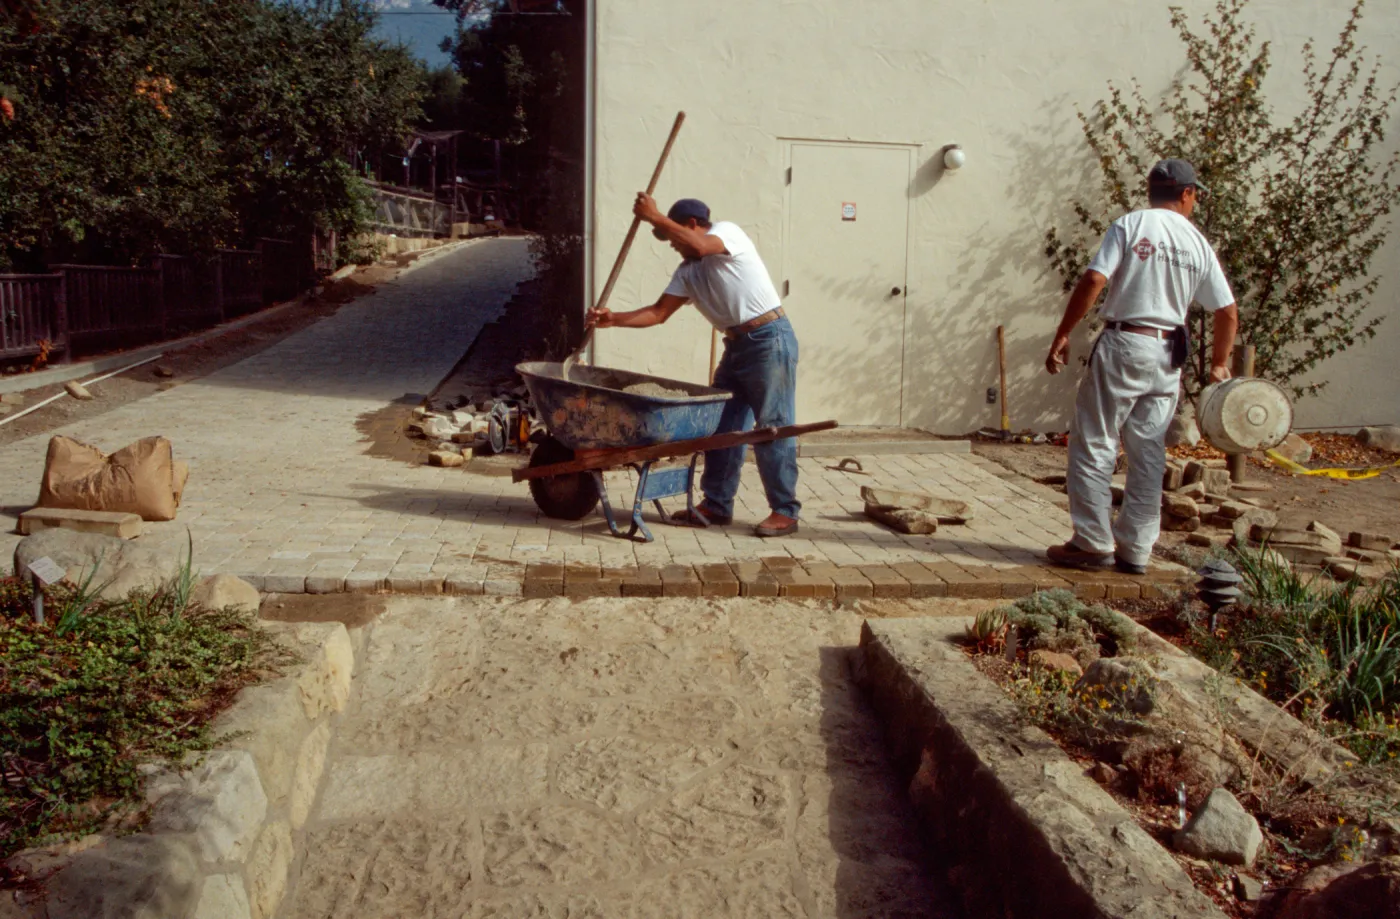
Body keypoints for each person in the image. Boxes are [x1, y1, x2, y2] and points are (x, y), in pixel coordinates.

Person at [1044, 158, 1239, 574]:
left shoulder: (1131, 225)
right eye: (1195, 196)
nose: (1196, 203)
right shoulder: (1197, 242)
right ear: (1186, 193)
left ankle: (1092, 542)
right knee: (1148, 450)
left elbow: (1095, 279)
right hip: (1168, 354)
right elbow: (1227, 311)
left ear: (1153, 191)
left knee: (1096, 438)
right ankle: (1136, 550)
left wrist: (1064, 332)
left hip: (1126, 342)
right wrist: (1220, 364)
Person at [587, 194, 801, 537]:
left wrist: (654, 216)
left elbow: (701, 246)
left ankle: (785, 511)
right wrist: (614, 320)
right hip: (736, 346)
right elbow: (658, 313)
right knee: (722, 428)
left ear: (692, 225)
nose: (672, 246)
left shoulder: (727, 233)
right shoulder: (687, 273)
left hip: (767, 339)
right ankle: (716, 505)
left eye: (673, 238)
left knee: (772, 426)